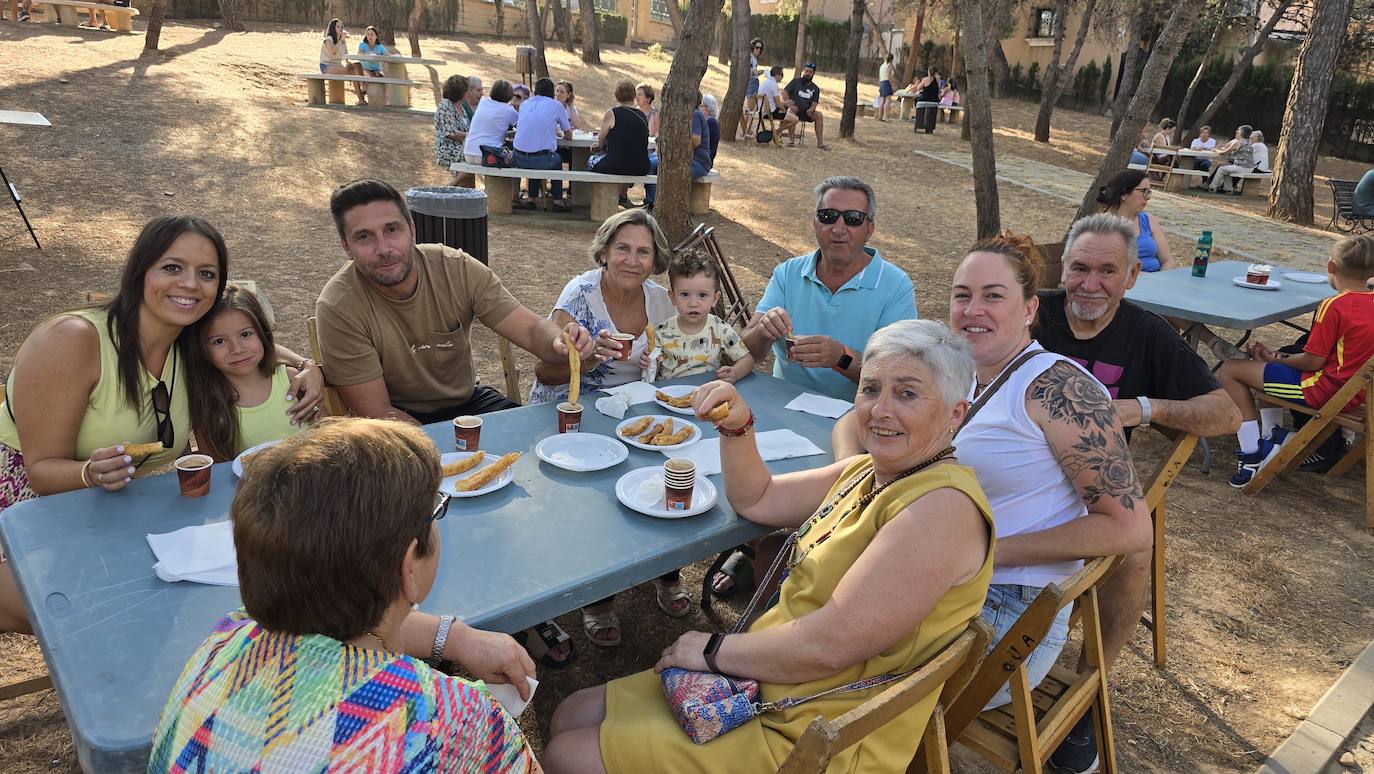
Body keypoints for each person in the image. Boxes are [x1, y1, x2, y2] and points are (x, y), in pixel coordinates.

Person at [542, 320, 996, 774]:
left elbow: (828, 646)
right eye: (871, 388)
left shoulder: (942, 511)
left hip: (817, 730)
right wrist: (737, 426)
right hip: (768, 680)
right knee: (571, 713)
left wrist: (713, 650)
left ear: (956, 413)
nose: (880, 410)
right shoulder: (870, 472)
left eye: (908, 394)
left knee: (566, 756)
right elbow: (757, 498)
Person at [832, 231, 1153, 773]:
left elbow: (1127, 530)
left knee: (830, 666)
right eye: (962, 295)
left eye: (992, 295)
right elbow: (852, 419)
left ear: (1030, 308)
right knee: (801, 605)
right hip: (927, 571)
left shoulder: (1056, 389)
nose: (972, 310)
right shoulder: (953, 372)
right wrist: (853, 476)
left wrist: (983, 550)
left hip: (1001, 612)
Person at [148, 418, 540, 772]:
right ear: (408, 568)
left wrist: (455, 638)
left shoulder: (224, 641)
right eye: (435, 511)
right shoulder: (445, 719)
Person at [0, 216, 323, 634]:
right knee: (110, 620)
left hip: (116, 510)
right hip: (24, 513)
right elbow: (41, 472)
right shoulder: (73, 339)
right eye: (173, 268)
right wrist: (89, 471)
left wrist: (307, 365)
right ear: (141, 271)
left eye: (206, 274)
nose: (190, 284)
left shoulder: (188, 342)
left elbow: (252, 340)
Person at [316, 178, 594, 425]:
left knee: (533, 439)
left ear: (412, 230)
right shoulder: (338, 306)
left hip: (467, 402)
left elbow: (532, 329)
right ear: (346, 248)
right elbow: (377, 411)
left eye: (392, 230)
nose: (383, 249)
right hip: (396, 418)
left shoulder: (455, 268)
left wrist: (559, 341)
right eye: (364, 237)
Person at [527, 209, 683, 647]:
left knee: (665, 470)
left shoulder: (660, 300)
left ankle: (665, 569)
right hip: (571, 411)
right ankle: (598, 598)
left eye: (643, 252)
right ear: (604, 251)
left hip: (633, 411)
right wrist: (591, 354)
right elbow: (546, 372)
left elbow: (677, 356)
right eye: (622, 249)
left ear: (654, 260)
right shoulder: (579, 296)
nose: (632, 260)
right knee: (594, 497)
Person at [1217, 234, 1374, 487]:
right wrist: (1277, 357)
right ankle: (1271, 438)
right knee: (1262, 368)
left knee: (1230, 370)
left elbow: (1312, 362)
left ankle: (1251, 454)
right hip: (1356, 392)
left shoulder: (1334, 306)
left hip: (1323, 390)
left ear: (1330, 267)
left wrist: (1278, 360)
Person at [741, 176, 916, 401]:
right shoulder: (788, 273)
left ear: (869, 229)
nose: (838, 228)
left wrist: (840, 358)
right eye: (828, 216)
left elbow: (897, 376)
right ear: (815, 224)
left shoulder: (895, 286)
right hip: (783, 407)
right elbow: (746, 351)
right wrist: (763, 331)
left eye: (853, 219)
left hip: (856, 417)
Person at [194, 284, 308, 462]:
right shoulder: (209, 405)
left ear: (263, 334)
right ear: (203, 349)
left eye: (246, 334)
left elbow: (329, 435)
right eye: (219, 341)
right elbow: (216, 470)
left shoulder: (292, 381)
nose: (237, 349)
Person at [643, 248, 754, 382]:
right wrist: (648, 363)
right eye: (684, 294)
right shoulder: (661, 333)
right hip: (669, 395)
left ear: (715, 298)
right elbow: (653, 370)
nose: (693, 303)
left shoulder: (720, 329)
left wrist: (735, 373)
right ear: (672, 297)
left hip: (707, 395)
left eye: (702, 295)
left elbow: (747, 360)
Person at [1096, 169, 1176, 272]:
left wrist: (1159, 281)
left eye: (1148, 192)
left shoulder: (1149, 220)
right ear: (1124, 194)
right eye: (1143, 191)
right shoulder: (1102, 225)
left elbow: (1168, 261)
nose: (1147, 198)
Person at [513, 78, 573, 212]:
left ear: (535, 91)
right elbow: (569, 135)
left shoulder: (524, 104)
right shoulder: (556, 105)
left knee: (535, 155)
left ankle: (531, 199)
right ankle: (557, 200)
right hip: (541, 159)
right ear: (551, 92)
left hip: (519, 157)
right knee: (554, 159)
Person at [643, 91, 711, 208]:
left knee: (649, 164)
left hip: (697, 162)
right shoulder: (686, 115)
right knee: (647, 162)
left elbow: (696, 140)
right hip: (681, 158)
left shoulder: (694, 114)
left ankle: (654, 204)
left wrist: (674, 144)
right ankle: (652, 202)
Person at [589, 80, 651, 209]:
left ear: (617, 95)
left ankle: (589, 200)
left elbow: (601, 139)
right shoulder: (642, 116)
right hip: (641, 166)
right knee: (625, 158)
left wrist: (599, 146)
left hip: (615, 164)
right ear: (633, 95)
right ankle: (622, 196)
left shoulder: (612, 113)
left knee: (591, 161)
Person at [319, 19, 366, 105]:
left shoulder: (342, 42)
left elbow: (346, 55)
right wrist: (341, 40)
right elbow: (333, 51)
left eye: (341, 27)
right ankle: (362, 94)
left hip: (338, 65)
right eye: (338, 26)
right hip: (326, 66)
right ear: (333, 28)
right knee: (353, 71)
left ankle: (362, 91)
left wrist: (348, 62)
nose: (340, 28)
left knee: (357, 65)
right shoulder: (328, 39)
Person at [435, 74, 471, 186]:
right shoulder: (445, 105)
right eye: (467, 90)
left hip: (461, 147)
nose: (469, 93)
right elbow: (451, 133)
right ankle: (452, 185)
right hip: (448, 149)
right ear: (460, 92)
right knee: (474, 161)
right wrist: (470, 136)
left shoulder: (462, 107)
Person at [784, 63, 829, 150]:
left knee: (819, 115)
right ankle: (791, 141)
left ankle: (820, 144)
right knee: (792, 110)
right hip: (794, 110)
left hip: (806, 112)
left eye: (810, 72)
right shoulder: (795, 82)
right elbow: (784, 93)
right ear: (803, 71)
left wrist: (811, 109)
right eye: (806, 71)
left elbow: (814, 102)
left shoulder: (815, 89)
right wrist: (785, 102)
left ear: (813, 74)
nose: (807, 73)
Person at [1205, 124, 1255, 193]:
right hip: (1250, 168)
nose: (1236, 132)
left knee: (1221, 169)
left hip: (1242, 167)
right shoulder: (1249, 142)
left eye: (1238, 131)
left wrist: (1215, 150)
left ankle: (1212, 187)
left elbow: (1224, 152)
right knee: (1227, 170)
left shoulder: (1238, 142)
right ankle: (1228, 189)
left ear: (1241, 133)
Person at [757, 65, 799, 139]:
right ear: (777, 75)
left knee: (788, 116)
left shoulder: (764, 83)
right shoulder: (774, 85)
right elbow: (778, 104)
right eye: (782, 74)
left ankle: (775, 133)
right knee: (795, 119)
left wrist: (785, 103)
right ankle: (775, 133)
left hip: (761, 111)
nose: (782, 77)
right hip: (770, 113)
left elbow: (771, 101)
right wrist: (785, 109)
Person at [740, 38, 765, 138]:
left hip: (755, 82)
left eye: (760, 48)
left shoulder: (754, 59)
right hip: (751, 83)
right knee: (750, 109)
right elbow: (749, 72)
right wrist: (760, 72)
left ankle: (747, 130)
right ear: (752, 47)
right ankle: (744, 131)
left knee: (753, 109)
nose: (758, 50)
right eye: (757, 47)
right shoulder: (750, 58)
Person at [913, 67, 940, 134]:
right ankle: (930, 127)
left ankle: (918, 119)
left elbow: (918, 88)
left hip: (925, 99)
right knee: (931, 110)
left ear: (928, 72)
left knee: (916, 100)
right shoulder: (937, 80)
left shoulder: (925, 79)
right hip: (934, 100)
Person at [701, 93, 722, 163]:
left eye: (701, 106)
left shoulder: (711, 122)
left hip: (704, 162)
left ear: (707, 107)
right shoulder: (710, 121)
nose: (699, 108)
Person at [876, 53, 895, 121]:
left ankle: (879, 116)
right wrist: (892, 85)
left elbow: (879, 76)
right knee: (888, 100)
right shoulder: (889, 66)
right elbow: (889, 77)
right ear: (891, 59)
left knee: (882, 100)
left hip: (882, 82)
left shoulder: (882, 66)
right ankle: (885, 116)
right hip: (887, 82)